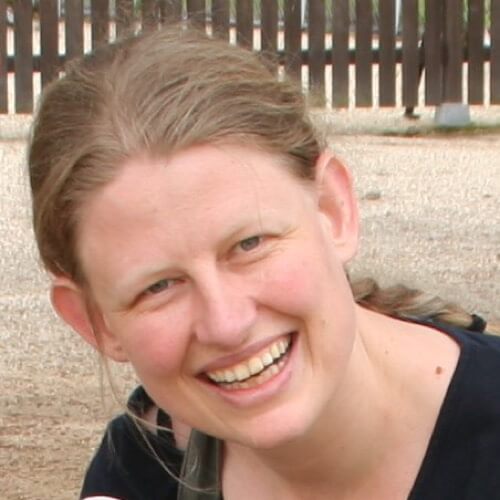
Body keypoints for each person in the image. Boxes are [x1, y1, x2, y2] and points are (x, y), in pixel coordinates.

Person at [28, 26, 500, 500]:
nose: (226, 324)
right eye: (158, 286)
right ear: (93, 321)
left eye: (250, 244)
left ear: (333, 209)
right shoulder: (142, 473)